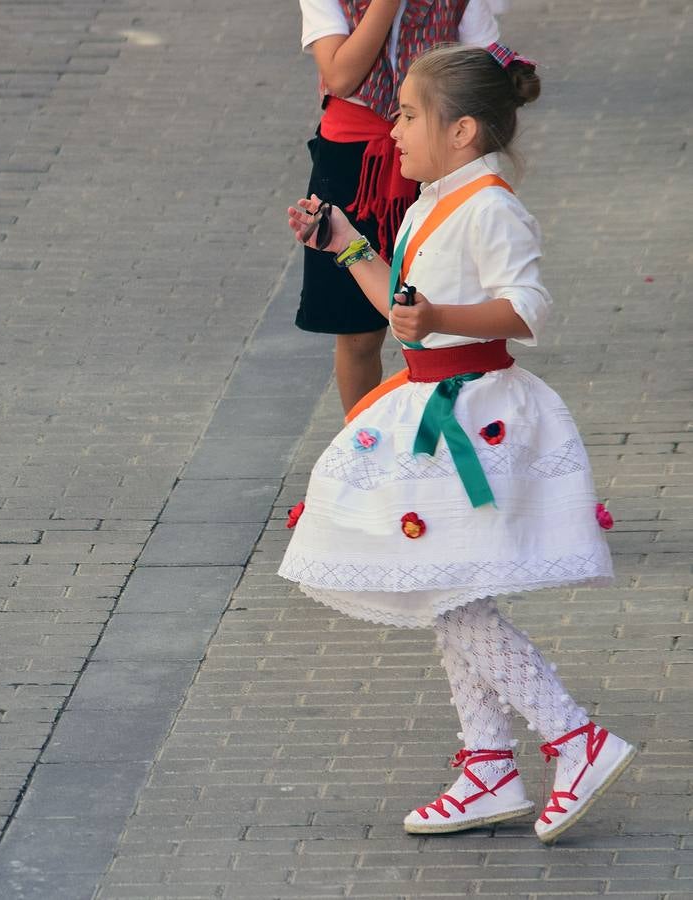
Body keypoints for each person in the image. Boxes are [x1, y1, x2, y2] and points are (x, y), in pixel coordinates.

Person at [279, 45, 634, 843]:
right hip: (432, 403)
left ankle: (573, 738)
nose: (395, 130)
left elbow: (527, 309)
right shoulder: (430, 202)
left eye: (407, 114)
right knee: (443, 585)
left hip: (473, 417)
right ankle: (489, 766)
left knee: (447, 587)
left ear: (464, 129)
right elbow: (406, 304)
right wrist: (344, 242)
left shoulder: (493, 208)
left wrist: (440, 318)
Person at [297, 0, 506, 413]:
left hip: (440, 152)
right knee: (357, 329)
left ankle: (456, 427)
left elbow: (483, 72)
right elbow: (340, 76)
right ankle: (360, 443)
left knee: (449, 295)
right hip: (355, 160)